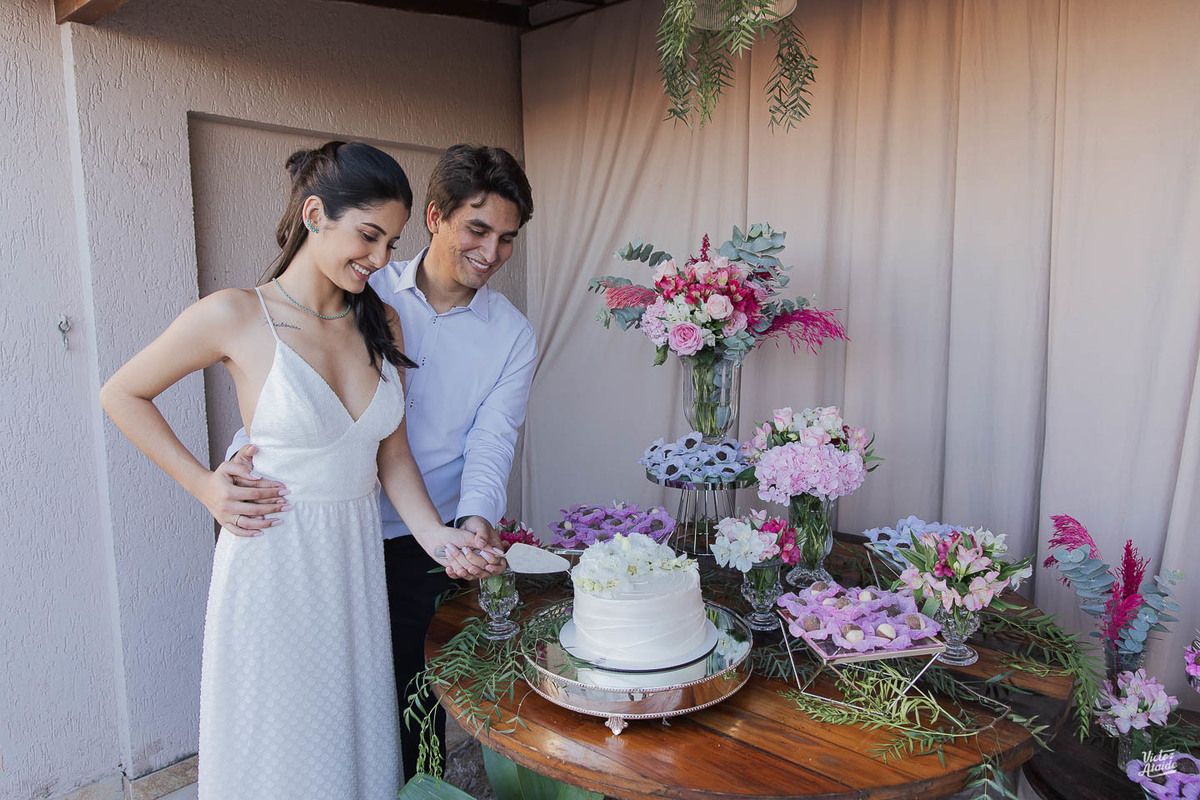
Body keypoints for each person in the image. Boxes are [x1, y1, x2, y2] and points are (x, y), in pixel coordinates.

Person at [99, 141, 502, 799]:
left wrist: (441, 538)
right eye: (368, 236)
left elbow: (391, 457)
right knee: (282, 747)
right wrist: (204, 485)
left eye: (392, 243)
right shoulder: (236, 314)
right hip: (272, 563)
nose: (379, 259)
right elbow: (121, 393)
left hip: (353, 564)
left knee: (347, 742)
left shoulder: (383, 324)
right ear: (315, 214)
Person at [224, 143, 537, 780]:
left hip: (427, 540)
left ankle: (413, 793)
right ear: (436, 217)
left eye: (508, 239)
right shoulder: (363, 285)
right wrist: (235, 461)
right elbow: (289, 383)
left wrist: (476, 519)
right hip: (324, 531)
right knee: (311, 708)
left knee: (412, 710)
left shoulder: (511, 334)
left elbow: (491, 440)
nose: (491, 252)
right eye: (478, 228)